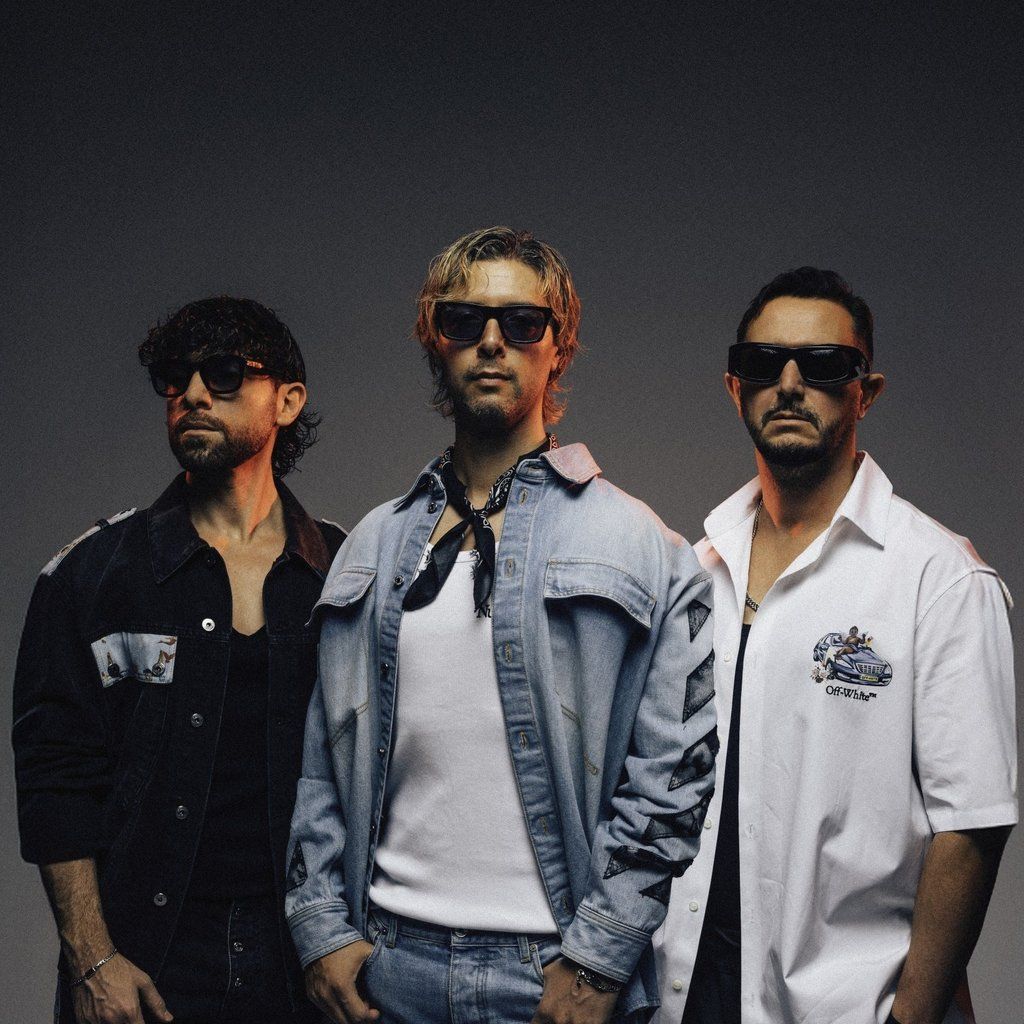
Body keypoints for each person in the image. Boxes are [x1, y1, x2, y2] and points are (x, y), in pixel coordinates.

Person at [285, 227, 717, 1024]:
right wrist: (321, 929)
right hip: (386, 970)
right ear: (434, 340)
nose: (491, 342)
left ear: (560, 346)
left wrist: (599, 960)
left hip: (554, 974)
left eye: (521, 322)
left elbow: (674, 775)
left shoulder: (644, 547)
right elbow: (321, 763)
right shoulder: (371, 545)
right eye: (463, 321)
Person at [655, 268, 1017, 1024]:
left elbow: (972, 828)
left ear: (865, 391)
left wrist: (910, 1018)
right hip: (685, 993)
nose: (789, 385)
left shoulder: (941, 579)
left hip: (848, 1006)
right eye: (764, 363)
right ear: (734, 386)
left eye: (822, 365)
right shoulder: (694, 571)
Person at [13, 297, 345, 1024]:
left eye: (223, 373)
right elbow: (54, 780)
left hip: (304, 966)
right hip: (145, 965)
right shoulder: (89, 576)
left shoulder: (347, 577)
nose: (192, 393)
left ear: (287, 400)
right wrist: (92, 960)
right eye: (175, 376)